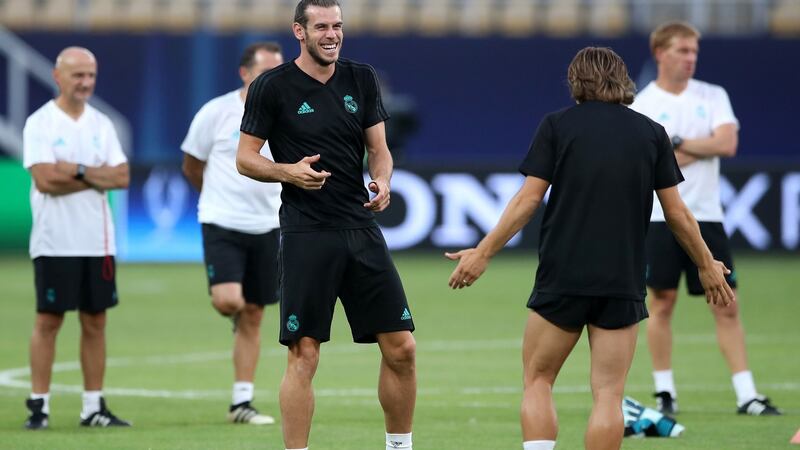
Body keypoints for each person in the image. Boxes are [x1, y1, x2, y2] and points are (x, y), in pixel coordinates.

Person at [446, 47, 735, 450]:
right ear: (623, 80)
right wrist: (705, 263)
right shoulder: (651, 132)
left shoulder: (557, 126)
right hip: (622, 279)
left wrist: (483, 252)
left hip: (563, 275)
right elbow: (678, 213)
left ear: (575, 81)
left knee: (539, 380)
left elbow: (527, 201)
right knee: (609, 394)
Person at [236, 1, 416, 449]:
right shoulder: (271, 87)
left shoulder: (362, 78)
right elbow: (245, 158)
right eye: (321, 27)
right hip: (306, 232)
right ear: (300, 32)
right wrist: (288, 171)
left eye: (337, 25)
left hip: (360, 228)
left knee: (402, 348)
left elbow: (379, 148)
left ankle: (399, 446)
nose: (332, 34)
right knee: (305, 354)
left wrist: (383, 179)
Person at [630, 21, 782, 416]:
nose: (690, 58)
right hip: (660, 219)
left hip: (707, 217)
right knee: (661, 303)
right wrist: (699, 148)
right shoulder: (641, 104)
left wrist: (675, 143)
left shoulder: (713, 95)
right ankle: (665, 391)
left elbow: (727, 143)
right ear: (659, 53)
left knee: (726, 302)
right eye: (682, 50)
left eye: (694, 51)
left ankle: (746, 394)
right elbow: (647, 163)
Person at [21, 47, 131, 429]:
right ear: (57, 76)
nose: (85, 82)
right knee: (48, 321)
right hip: (55, 241)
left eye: (90, 75)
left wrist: (78, 169)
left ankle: (93, 407)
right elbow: (45, 180)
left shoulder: (102, 123)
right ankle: (39, 405)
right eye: (77, 75)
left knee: (95, 322)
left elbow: (121, 177)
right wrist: (93, 176)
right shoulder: (41, 123)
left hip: (98, 243)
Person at [181, 42, 285, 425]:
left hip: (269, 224)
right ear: (245, 73)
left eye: (279, 70)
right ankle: (233, 307)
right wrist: (212, 197)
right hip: (222, 220)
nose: (274, 78)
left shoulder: (288, 113)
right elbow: (192, 164)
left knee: (255, 313)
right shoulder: (217, 112)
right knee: (229, 302)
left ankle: (242, 401)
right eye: (265, 71)